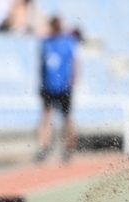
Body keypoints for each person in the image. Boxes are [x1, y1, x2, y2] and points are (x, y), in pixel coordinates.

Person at [35, 15, 79, 163]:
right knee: (46, 118)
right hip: (48, 87)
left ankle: (69, 148)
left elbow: (74, 63)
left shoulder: (68, 43)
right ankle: (44, 147)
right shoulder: (45, 43)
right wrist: (41, 83)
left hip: (64, 87)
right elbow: (41, 65)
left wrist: (72, 82)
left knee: (66, 118)